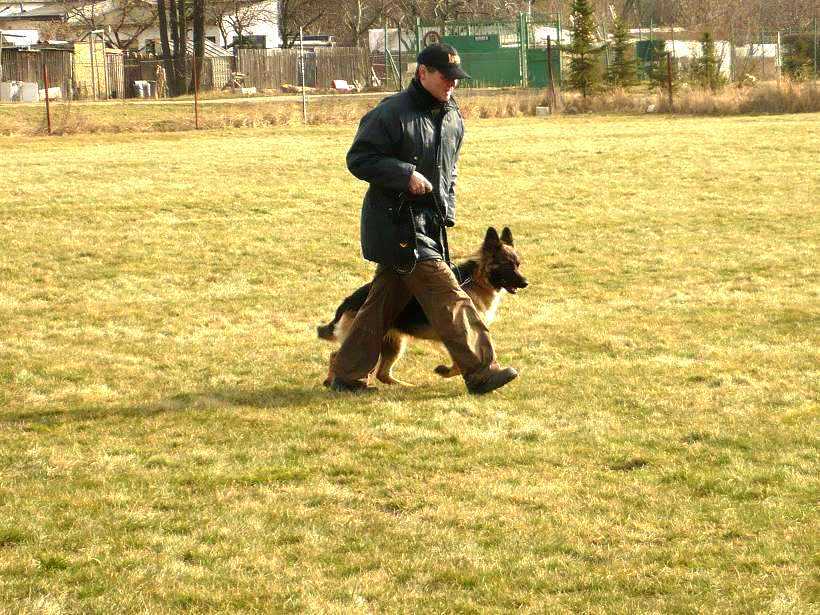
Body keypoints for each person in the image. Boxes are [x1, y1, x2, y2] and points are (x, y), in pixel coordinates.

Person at [330, 43, 518, 395]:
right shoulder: (392, 113)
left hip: (430, 227)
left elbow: (450, 169)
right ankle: (481, 370)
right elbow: (359, 158)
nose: (453, 83)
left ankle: (348, 375)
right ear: (422, 73)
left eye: (456, 78)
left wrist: (447, 208)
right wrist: (405, 175)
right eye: (445, 77)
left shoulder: (452, 116)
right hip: (397, 226)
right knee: (450, 295)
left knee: (379, 308)